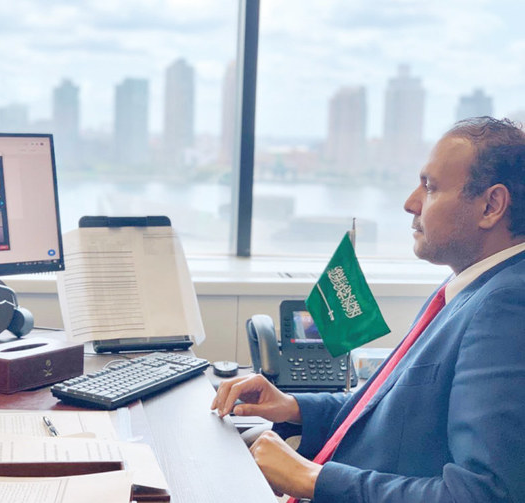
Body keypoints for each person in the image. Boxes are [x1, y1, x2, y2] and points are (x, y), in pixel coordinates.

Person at [211, 116, 525, 503]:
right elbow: (387, 411)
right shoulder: (467, 286)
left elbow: (485, 495)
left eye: (430, 187)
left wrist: (312, 478)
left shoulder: (507, 306)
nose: (410, 202)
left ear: (491, 205)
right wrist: (293, 407)